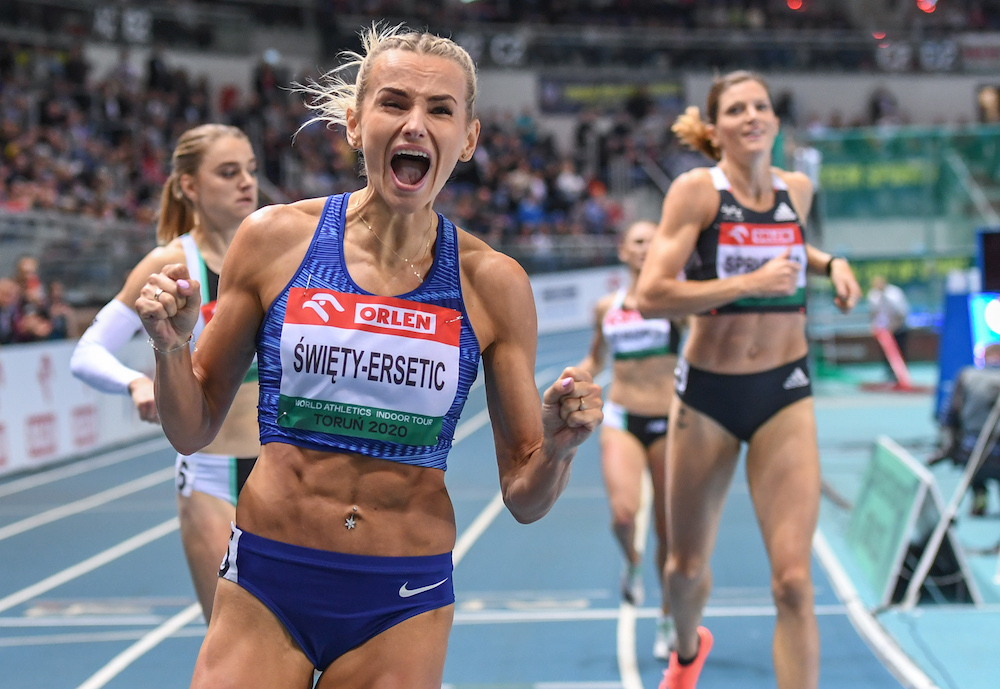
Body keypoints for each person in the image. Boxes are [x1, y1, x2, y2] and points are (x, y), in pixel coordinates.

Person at [134, 24, 603, 688]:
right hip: (269, 579)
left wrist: (556, 450)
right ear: (355, 124)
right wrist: (171, 347)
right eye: (394, 103)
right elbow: (192, 427)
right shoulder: (274, 240)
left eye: (440, 110)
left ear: (468, 138)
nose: (415, 124)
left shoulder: (492, 284)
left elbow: (525, 499)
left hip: (401, 599)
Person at [634, 70, 862, 689]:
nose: (752, 116)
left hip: (784, 390)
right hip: (708, 395)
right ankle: (687, 652)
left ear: (776, 122)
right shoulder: (696, 193)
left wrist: (832, 263)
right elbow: (651, 294)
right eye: (736, 109)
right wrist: (746, 285)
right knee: (684, 569)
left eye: (760, 106)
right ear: (715, 130)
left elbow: (790, 247)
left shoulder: (797, 190)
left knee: (793, 582)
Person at [70, 123, 260, 622]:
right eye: (228, 172)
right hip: (212, 477)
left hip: (283, 472)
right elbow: (87, 352)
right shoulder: (172, 263)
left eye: (250, 170)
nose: (246, 182)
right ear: (189, 185)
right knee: (231, 639)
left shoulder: (276, 252)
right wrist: (135, 382)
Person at [578, 219, 680, 661]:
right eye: (638, 241)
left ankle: (667, 618)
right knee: (623, 516)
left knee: (669, 532)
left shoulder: (677, 303)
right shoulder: (608, 307)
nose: (646, 247)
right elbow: (596, 358)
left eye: (654, 241)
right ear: (623, 250)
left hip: (670, 422)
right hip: (622, 416)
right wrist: (576, 376)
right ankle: (633, 563)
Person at [929, 342, 1000, 517]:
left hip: (971, 453)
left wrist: (946, 450)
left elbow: (948, 417)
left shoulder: (966, 376)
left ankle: (979, 495)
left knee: (971, 452)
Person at [867, 274, 910, 380]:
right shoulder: (873, 295)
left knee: (900, 352)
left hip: (898, 327)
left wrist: (893, 327)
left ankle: (902, 376)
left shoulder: (895, 293)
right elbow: (873, 313)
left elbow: (901, 312)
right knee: (885, 353)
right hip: (884, 331)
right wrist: (875, 326)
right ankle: (889, 373)